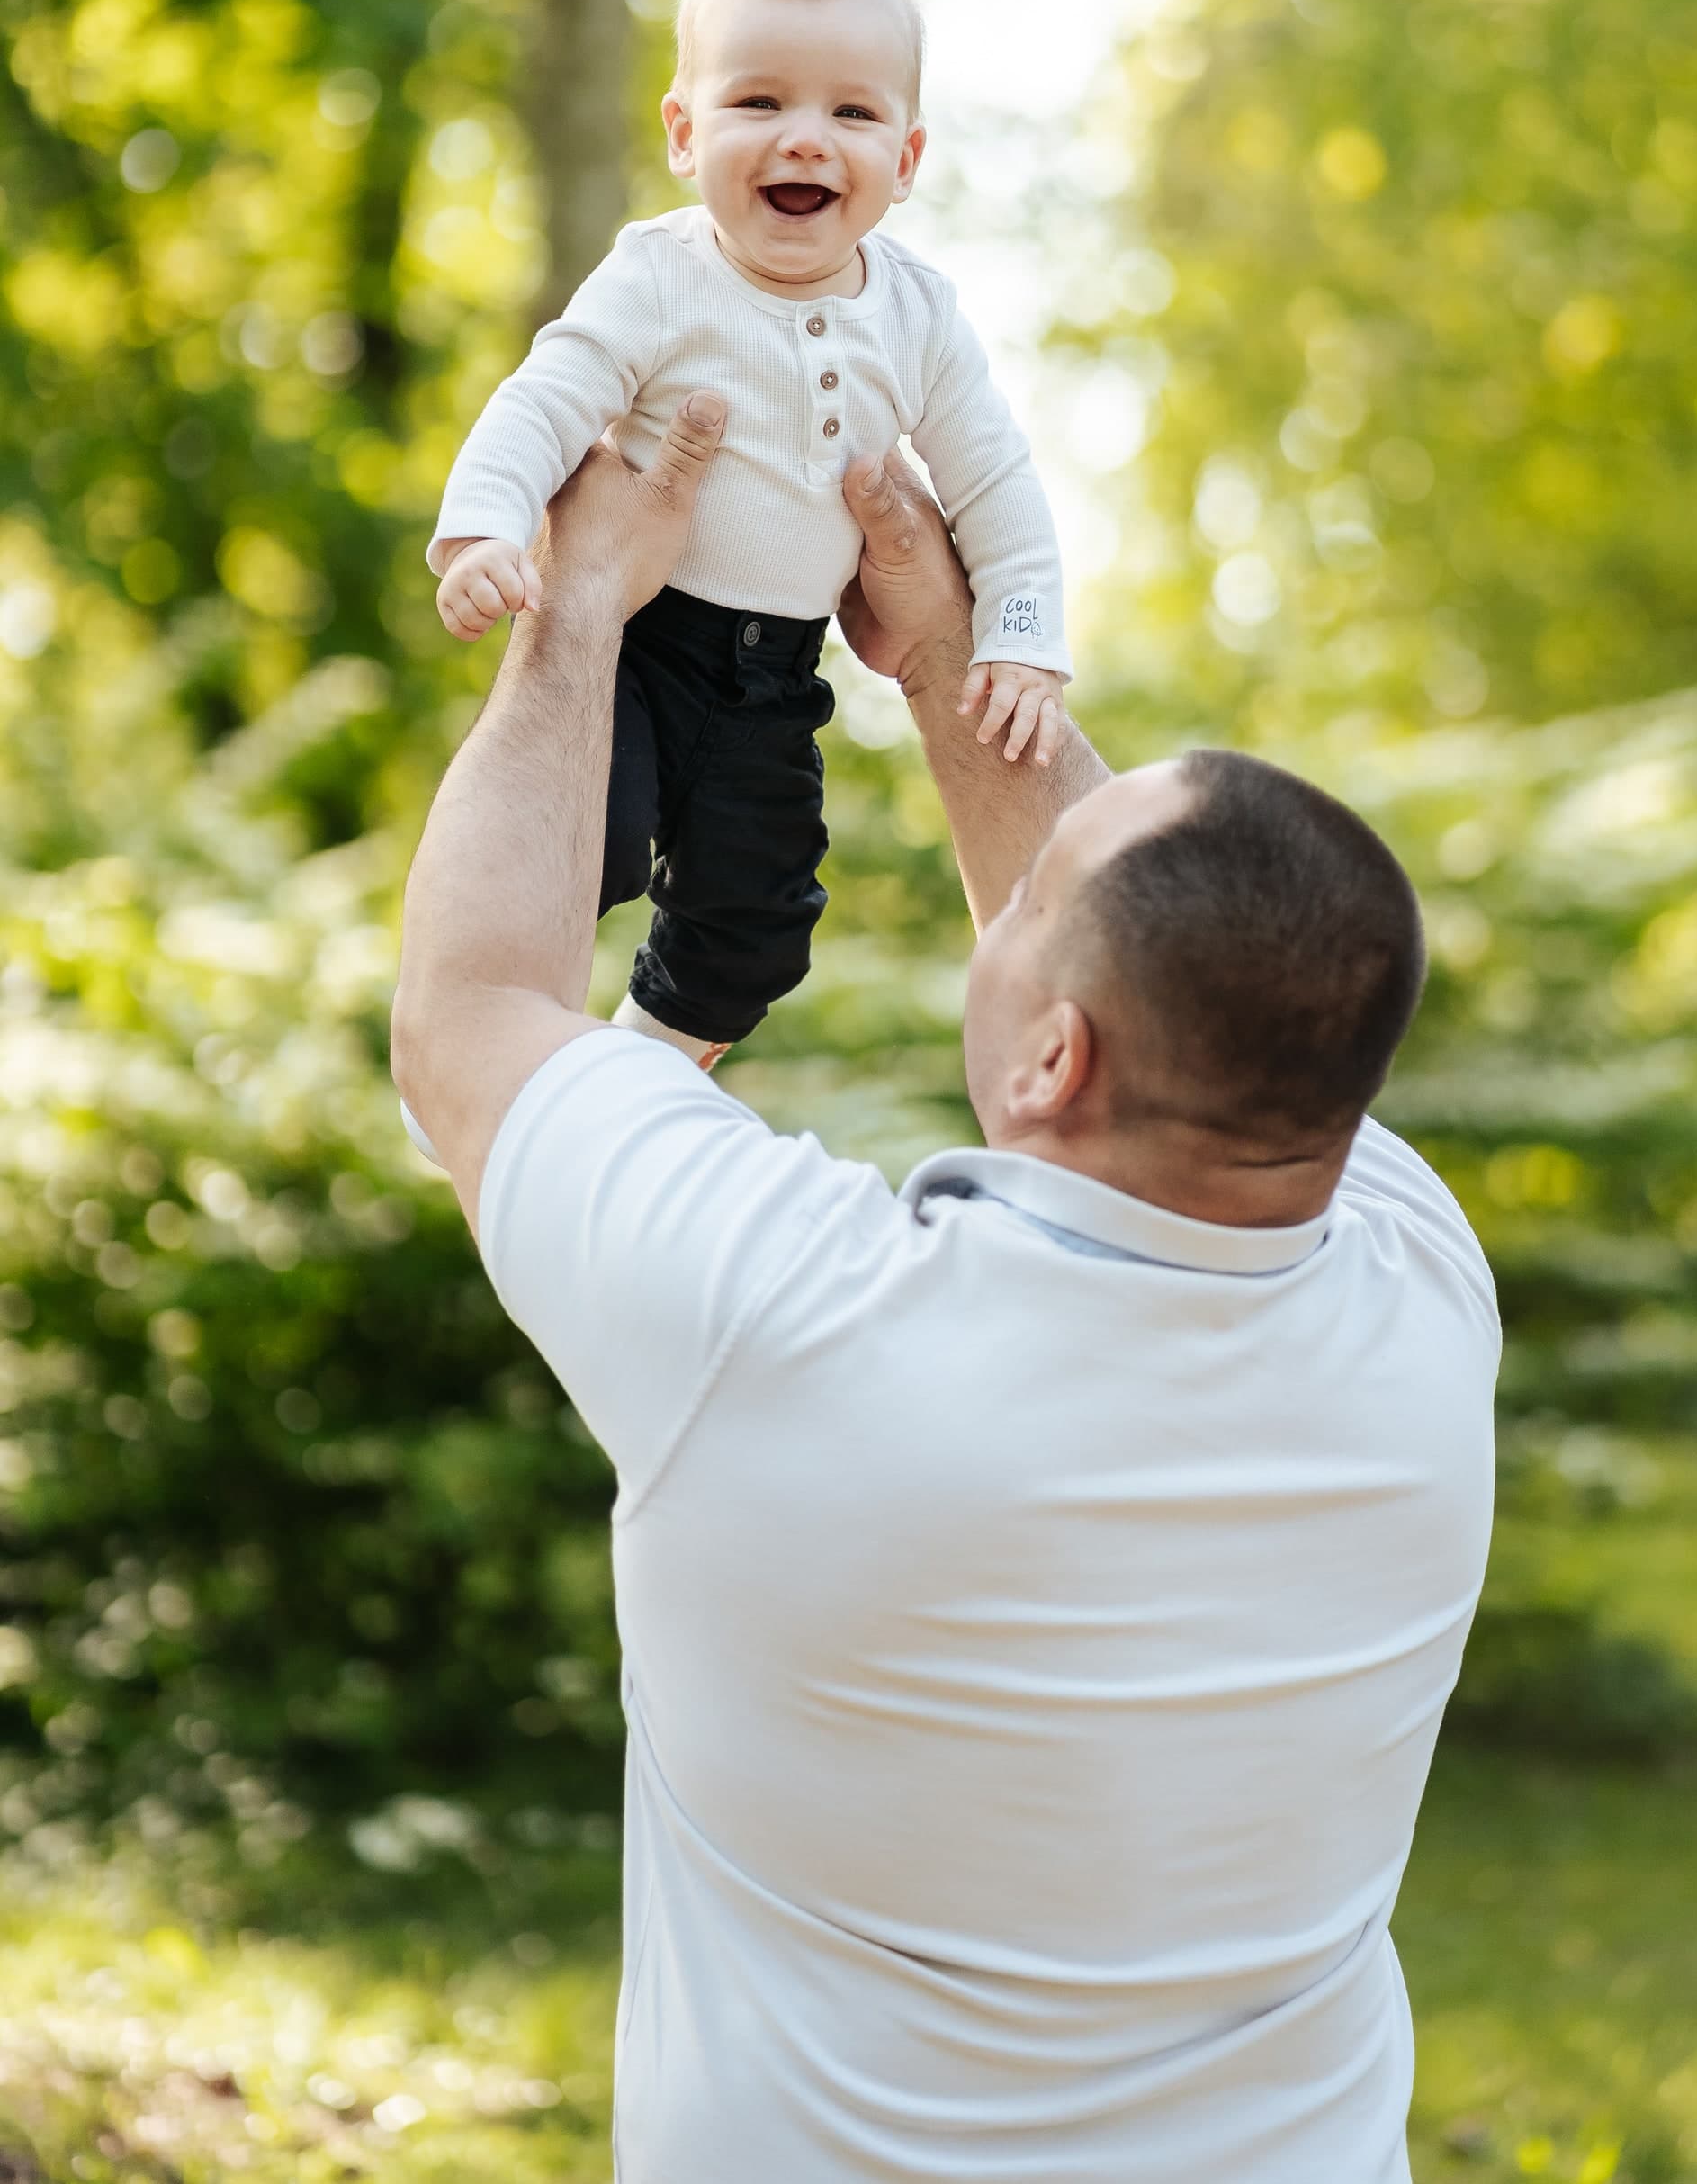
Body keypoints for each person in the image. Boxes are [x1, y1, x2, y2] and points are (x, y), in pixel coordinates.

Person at [391, 396, 1500, 2184]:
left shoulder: (790, 1326)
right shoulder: (1424, 1305)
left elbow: (471, 1021)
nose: (1010, 881)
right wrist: (948, 657)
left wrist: (580, 610)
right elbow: (1205, 969)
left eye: (1029, 899)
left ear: (1052, 1056)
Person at [427, 0, 1068, 1071]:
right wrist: (483, 528)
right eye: (760, 102)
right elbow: (547, 398)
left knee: (760, 921)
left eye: (852, 112)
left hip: (775, 673)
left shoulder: (918, 314)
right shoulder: (659, 277)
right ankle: (477, 1059)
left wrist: (1020, 637)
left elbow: (995, 481)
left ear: (908, 159)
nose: (806, 139)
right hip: (639, 638)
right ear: (685, 131)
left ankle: (647, 1064)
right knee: (590, 844)